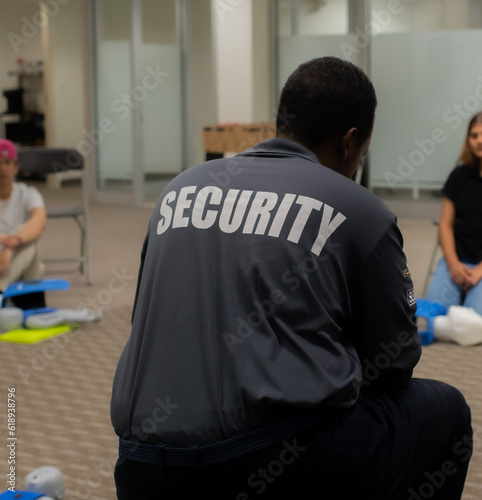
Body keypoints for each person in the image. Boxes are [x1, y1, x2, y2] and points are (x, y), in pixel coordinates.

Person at [111, 57, 472, 500]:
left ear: (282, 120)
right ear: (350, 141)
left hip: (141, 465)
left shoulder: (178, 190)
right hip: (263, 464)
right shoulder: (360, 209)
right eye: (361, 153)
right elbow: (394, 364)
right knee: (447, 412)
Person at [426, 112, 482, 315]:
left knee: (473, 321)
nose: (479, 141)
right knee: (435, 315)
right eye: (474, 135)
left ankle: (470, 293)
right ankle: (464, 289)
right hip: (457, 259)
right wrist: (453, 265)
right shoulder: (458, 176)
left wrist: (478, 272)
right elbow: (445, 225)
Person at [0, 139, 46, 294]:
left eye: (7, 162)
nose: (2, 168)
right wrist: (4, 239)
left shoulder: (28, 193)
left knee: (31, 233)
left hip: (19, 260)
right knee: (30, 236)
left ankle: (1, 288)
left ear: (16, 167)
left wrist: (11, 245)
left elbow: (39, 221)